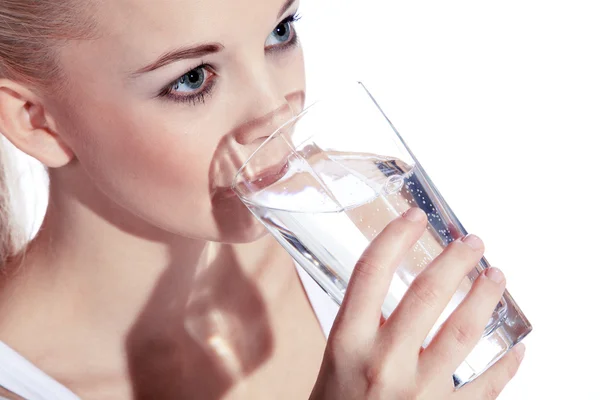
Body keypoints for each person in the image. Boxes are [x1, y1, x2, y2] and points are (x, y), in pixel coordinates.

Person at [0, 0, 525, 398]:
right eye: (192, 79)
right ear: (34, 121)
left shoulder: (357, 231)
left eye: (280, 31)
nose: (277, 112)